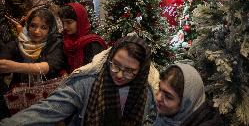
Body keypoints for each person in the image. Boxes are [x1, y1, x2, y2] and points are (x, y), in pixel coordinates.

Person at [0, 35, 156, 125]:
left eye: (129, 71)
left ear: (141, 72)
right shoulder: (86, 83)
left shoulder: (147, 94)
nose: (120, 75)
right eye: (115, 65)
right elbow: (48, 109)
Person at [0, 8, 66, 84]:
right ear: (28, 26)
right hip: (20, 92)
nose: (37, 31)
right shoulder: (19, 42)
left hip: (49, 90)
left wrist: (15, 66)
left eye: (43, 27)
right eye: (33, 26)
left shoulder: (55, 42)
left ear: (50, 30)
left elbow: (50, 66)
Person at [154, 63, 224, 126]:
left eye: (168, 97)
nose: (158, 98)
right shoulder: (167, 117)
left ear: (186, 103)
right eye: (160, 88)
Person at [59, 3, 107, 73]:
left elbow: (95, 70)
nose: (65, 27)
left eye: (69, 22)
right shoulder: (65, 39)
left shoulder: (92, 43)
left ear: (80, 20)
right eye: (63, 23)